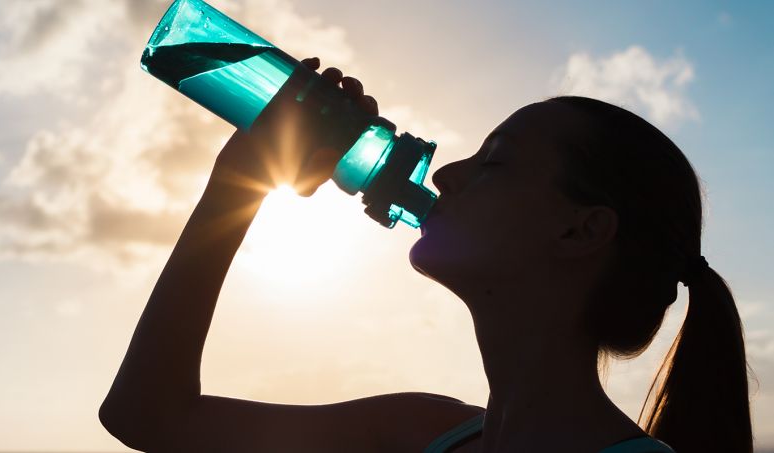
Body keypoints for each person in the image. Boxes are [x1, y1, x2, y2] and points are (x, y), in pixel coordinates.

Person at [99, 57, 753, 453]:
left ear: (580, 232)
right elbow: (148, 415)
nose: (444, 176)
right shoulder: (417, 430)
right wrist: (238, 183)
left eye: (493, 163)